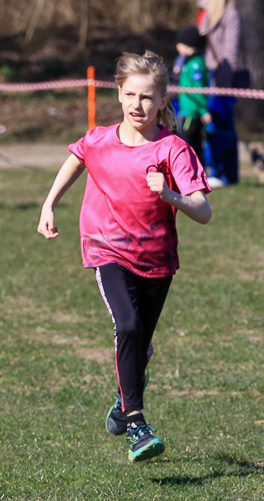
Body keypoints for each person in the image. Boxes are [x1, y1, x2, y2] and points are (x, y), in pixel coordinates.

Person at [37, 51, 212, 463]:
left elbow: (203, 211)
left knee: (140, 346)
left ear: (162, 101)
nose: (137, 104)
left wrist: (170, 195)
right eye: (130, 94)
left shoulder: (173, 149)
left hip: (156, 258)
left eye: (147, 97)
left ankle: (122, 401)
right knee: (128, 326)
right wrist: (49, 205)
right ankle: (136, 424)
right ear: (118, 94)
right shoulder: (99, 140)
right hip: (106, 247)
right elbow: (76, 159)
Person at [198, 0, 243, 188]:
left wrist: (222, 84)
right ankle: (219, 171)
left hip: (220, 78)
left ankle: (223, 173)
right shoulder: (208, 11)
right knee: (213, 126)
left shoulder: (230, 14)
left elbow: (230, 53)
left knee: (221, 126)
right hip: (207, 75)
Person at [173, 26, 213, 162]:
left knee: (188, 149)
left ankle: (194, 172)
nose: (177, 47)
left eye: (179, 43)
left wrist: (203, 111)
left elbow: (198, 91)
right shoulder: (188, 62)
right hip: (186, 112)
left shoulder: (196, 65)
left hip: (191, 115)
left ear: (188, 44)